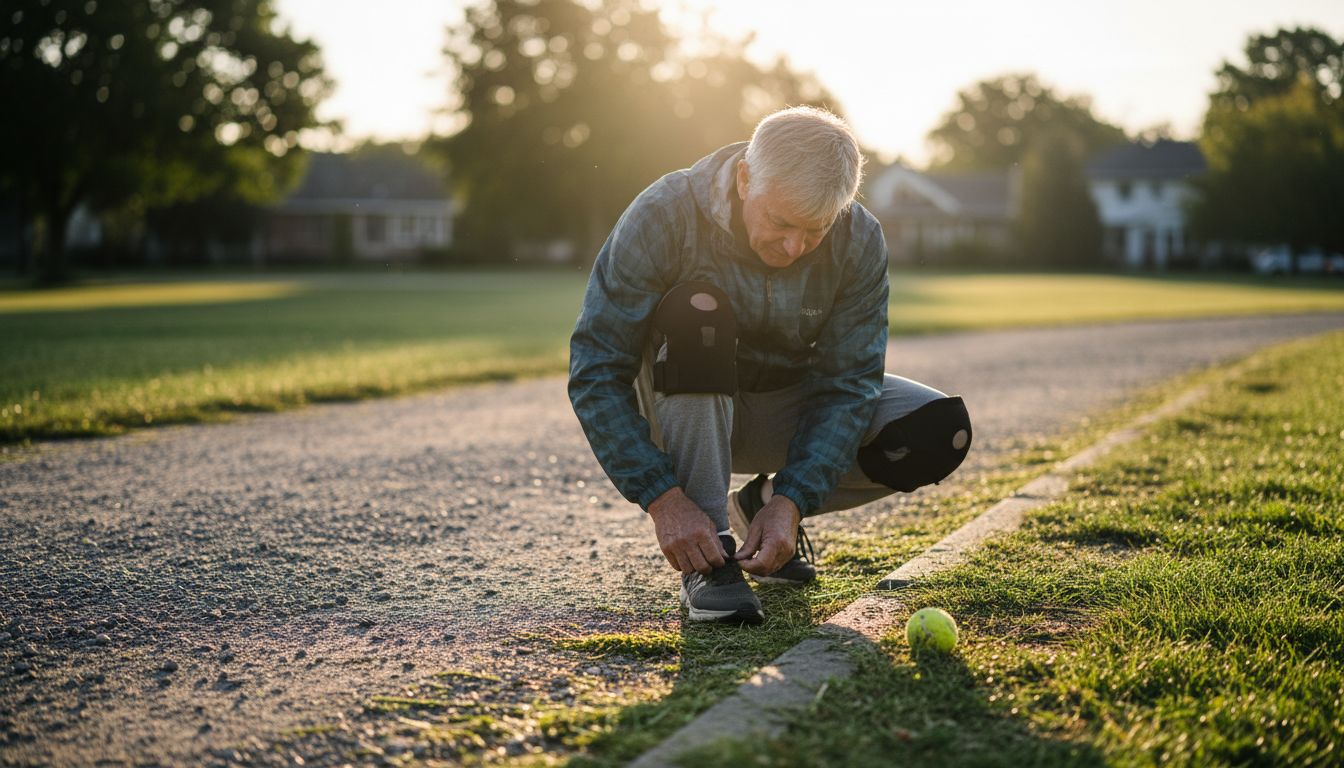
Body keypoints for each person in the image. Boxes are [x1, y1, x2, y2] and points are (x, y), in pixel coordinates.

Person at [569, 106, 972, 624]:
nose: (793, 246)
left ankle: (760, 506)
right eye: (781, 222)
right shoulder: (664, 213)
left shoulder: (860, 238)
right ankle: (709, 554)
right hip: (675, 401)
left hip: (783, 406)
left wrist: (792, 499)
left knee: (941, 432)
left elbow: (848, 386)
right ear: (743, 179)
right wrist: (662, 498)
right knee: (698, 313)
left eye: (814, 231)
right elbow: (595, 367)